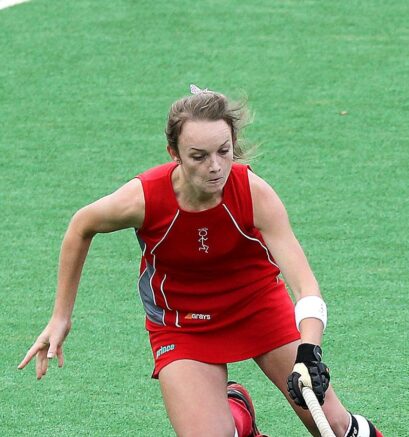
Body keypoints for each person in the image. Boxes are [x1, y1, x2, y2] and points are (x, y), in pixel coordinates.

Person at [19, 86, 383, 437]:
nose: (215, 166)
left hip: (257, 306)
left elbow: (305, 286)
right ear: (173, 153)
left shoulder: (255, 193)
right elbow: (81, 226)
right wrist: (60, 316)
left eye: (224, 151)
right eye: (199, 156)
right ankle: (239, 415)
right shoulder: (143, 199)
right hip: (183, 322)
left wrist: (310, 349)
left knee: (333, 426)